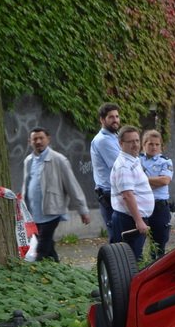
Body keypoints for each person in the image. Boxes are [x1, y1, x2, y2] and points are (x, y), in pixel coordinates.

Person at [21, 128, 91, 261]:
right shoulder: (28, 161)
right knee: (47, 245)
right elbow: (26, 185)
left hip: (52, 211)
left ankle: (37, 270)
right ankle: (56, 267)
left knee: (41, 246)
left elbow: (72, 186)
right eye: (35, 139)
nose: (38, 141)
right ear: (30, 141)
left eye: (41, 138)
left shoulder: (59, 160)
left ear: (48, 139)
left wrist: (83, 210)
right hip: (33, 214)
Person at [110, 125, 154, 261]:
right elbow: (127, 195)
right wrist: (139, 221)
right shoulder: (124, 166)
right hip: (129, 220)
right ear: (121, 143)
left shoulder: (133, 159)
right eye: (131, 142)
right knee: (129, 261)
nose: (135, 145)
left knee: (133, 258)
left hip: (132, 219)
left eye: (137, 140)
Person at [140, 129, 173, 259]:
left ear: (161, 146)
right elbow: (131, 180)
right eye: (150, 144)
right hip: (141, 205)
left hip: (159, 206)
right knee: (137, 242)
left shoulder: (165, 161)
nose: (154, 147)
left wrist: (142, 180)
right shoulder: (137, 160)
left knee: (159, 244)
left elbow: (165, 180)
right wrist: (155, 181)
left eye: (157, 144)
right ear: (144, 145)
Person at [90, 103, 121, 240]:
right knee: (116, 236)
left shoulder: (115, 136)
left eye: (117, 116)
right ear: (102, 120)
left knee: (122, 234)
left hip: (116, 192)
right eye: (111, 117)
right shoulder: (103, 140)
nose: (115, 120)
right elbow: (121, 164)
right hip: (109, 194)